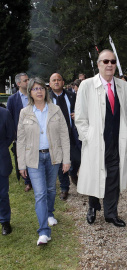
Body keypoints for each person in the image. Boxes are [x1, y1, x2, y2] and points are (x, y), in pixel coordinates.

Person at [75, 49, 127, 227]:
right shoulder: (86, 85)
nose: (109, 65)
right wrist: (89, 136)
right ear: (98, 64)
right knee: (95, 174)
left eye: (113, 61)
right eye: (105, 61)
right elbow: (80, 117)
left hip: (117, 140)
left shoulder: (123, 86)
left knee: (113, 176)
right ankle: (93, 207)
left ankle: (111, 213)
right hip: (96, 141)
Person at [17, 77, 70, 245]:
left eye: (41, 88)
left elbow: (64, 136)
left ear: (45, 91)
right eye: (35, 89)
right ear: (30, 92)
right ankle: (43, 232)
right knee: (40, 193)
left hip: (53, 156)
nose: (39, 91)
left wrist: (66, 159)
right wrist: (21, 164)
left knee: (51, 189)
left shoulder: (55, 110)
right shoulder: (24, 113)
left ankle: (49, 213)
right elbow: (21, 139)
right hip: (34, 159)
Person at [49, 73, 81, 199]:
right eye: (54, 80)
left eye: (59, 80)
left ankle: (73, 172)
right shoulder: (46, 99)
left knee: (78, 158)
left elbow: (80, 110)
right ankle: (64, 187)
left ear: (63, 82)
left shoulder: (72, 95)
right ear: (50, 84)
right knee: (60, 161)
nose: (56, 82)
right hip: (55, 136)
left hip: (71, 133)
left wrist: (77, 114)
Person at [7, 73, 32, 192]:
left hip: (34, 131)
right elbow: (10, 117)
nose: (28, 82)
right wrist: (13, 133)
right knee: (23, 156)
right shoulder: (12, 99)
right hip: (21, 133)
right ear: (18, 84)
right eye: (25, 80)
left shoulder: (34, 95)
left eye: (28, 80)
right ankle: (27, 181)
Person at [0, 107, 15, 235]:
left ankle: (5, 221)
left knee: (2, 194)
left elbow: (10, 135)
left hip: (1, 158)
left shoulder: (4, 113)